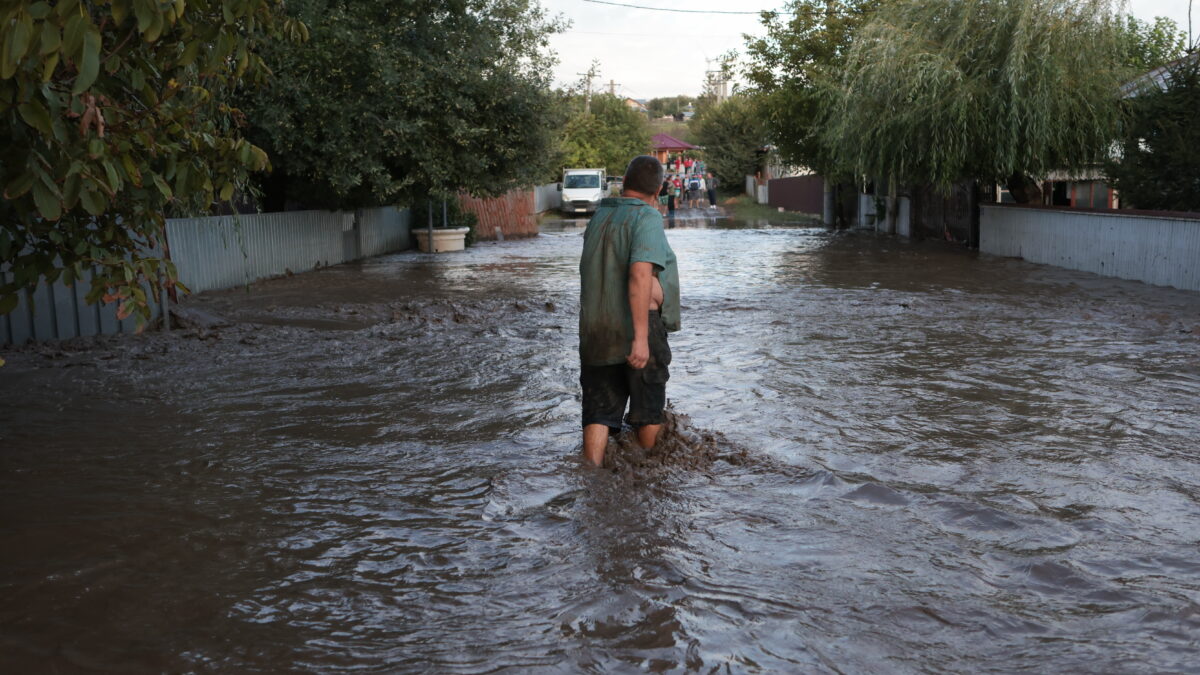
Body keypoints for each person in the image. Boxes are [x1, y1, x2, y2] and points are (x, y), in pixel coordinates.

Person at [578, 155, 681, 467]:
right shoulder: (646, 218)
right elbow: (639, 275)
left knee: (598, 411)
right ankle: (647, 476)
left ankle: (591, 476)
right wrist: (640, 339)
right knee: (647, 409)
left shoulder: (600, 216)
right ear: (660, 188)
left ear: (624, 183)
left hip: (597, 327)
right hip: (639, 325)